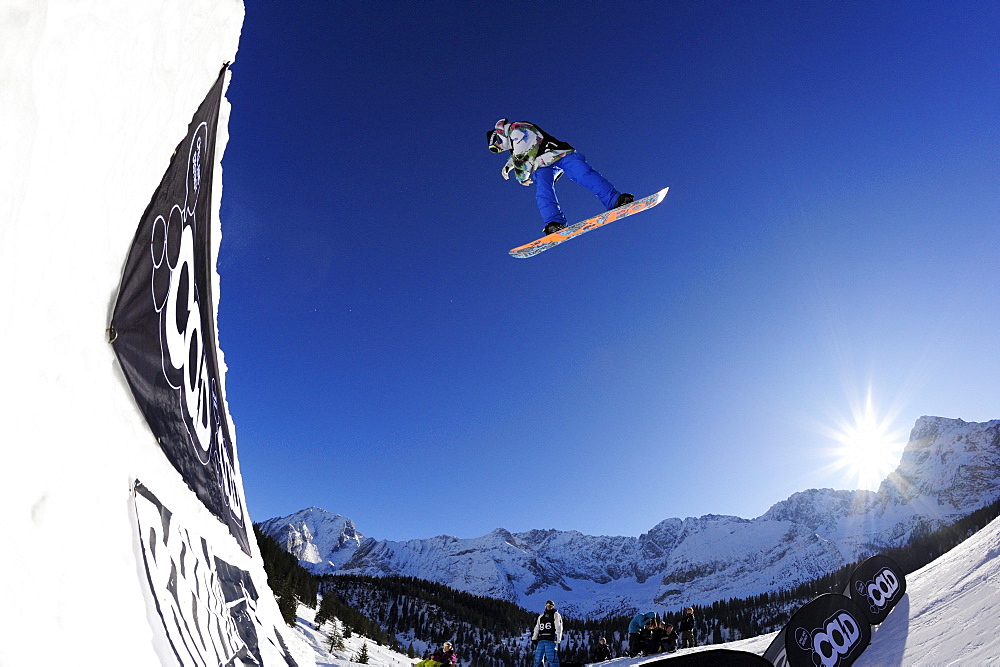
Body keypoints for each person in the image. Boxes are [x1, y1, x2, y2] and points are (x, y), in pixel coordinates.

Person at [487, 119, 633, 236]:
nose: (499, 148)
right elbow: (518, 154)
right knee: (543, 190)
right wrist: (508, 166)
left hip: (559, 153)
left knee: (583, 174)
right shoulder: (513, 140)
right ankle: (554, 223)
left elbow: (523, 154)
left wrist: (522, 177)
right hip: (543, 164)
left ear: (498, 134)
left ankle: (614, 200)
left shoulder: (516, 129)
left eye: (496, 145)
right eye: (496, 150)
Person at [531, 600, 563, 666]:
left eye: (550, 606)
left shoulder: (556, 614)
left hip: (550, 640)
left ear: (553, 606)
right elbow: (537, 627)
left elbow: (558, 626)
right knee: (538, 659)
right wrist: (534, 638)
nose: (549, 607)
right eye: (548, 606)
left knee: (552, 659)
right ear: (545, 606)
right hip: (541, 640)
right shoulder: (541, 616)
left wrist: (558, 638)